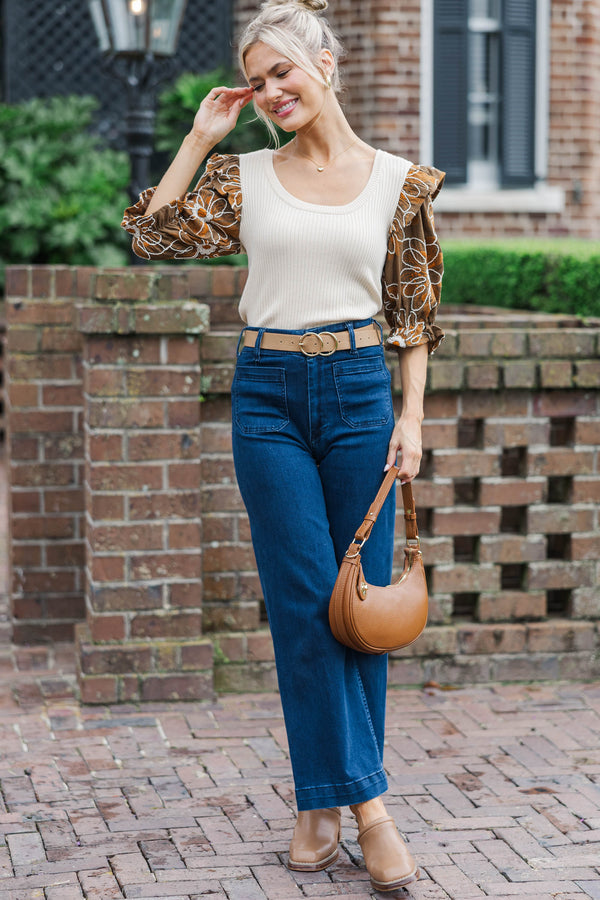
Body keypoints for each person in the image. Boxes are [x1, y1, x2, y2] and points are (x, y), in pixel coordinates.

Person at [122, 0, 444, 890]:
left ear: (327, 63)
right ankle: (370, 809)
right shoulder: (244, 177)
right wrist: (198, 137)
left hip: (356, 395)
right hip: (266, 397)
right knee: (307, 601)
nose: (269, 92)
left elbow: (414, 316)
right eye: (256, 81)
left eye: (282, 73)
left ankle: (317, 805)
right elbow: (151, 237)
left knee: (360, 611)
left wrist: (411, 420)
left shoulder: (398, 182)